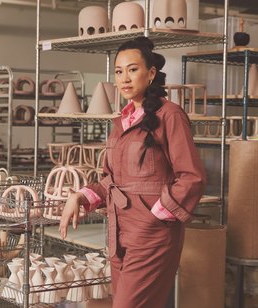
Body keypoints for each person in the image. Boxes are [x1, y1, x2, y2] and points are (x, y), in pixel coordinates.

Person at [59, 36, 206, 308]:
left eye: (132, 69)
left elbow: (192, 176)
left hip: (152, 236)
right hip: (118, 233)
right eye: (118, 71)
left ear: (151, 73)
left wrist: (156, 216)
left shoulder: (170, 115)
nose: (124, 78)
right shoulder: (121, 122)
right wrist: (79, 196)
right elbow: (111, 181)